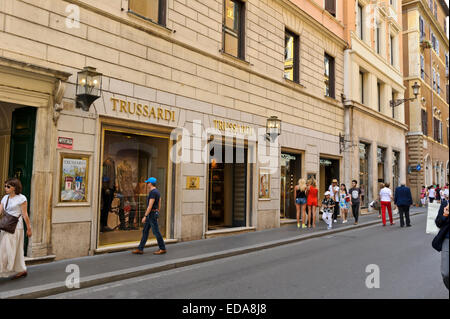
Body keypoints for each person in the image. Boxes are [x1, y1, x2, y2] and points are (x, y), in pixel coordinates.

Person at [0, 178, 32, 279]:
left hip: (16, 227)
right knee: (13, 249)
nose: (6, 188)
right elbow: (0, 211)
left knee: (5, 250)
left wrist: (29, 228)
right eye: (5, 186)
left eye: (8, 186)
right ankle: (22, 269)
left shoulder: (21, 198)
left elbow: (25, 214)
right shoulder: (5, 198)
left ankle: (2, 270)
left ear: (14, 188)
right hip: (5, 226)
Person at [132, 177, 166, 255]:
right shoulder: (157, 192)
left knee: (156, 232)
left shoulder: (152, 192)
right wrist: (157, 211)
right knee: (145, 231)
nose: (147, 184)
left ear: (150, 183)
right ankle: (140, 249)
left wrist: (145, 216)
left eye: (147, 183)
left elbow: (150, 206)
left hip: (151, 215)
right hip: (153, 213)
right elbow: (160, 202)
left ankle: (162, 248)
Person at [432, 202, 449, 290]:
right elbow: (438, 223)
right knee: (445, 273)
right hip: (447, 240)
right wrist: (444, 215)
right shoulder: (446, 204)